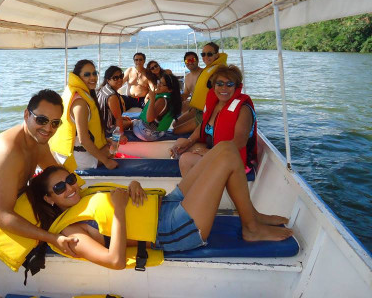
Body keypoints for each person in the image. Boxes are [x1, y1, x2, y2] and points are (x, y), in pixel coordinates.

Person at [28, 142, 292, 270]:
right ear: (50, 199)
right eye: (59, 188)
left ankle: (252, 215)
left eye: (70, 179)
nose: (70, 187)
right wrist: (119, 211)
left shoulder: (83, 197)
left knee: (225, 148)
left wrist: (133, 184)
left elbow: (118, 198)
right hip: (172, 230)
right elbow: (115, 261)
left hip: (167, 204)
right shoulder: (70, 233)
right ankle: (250, 227)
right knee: (226, 159)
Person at [0, 89, 78, 255]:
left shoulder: (38, 141)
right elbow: (1, 218)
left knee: (81, 219)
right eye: (42, 120)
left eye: (55, 123)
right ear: (27, 115)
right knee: (78, 233)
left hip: (18, 206)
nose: (48, 128)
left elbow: (58, 173)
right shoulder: (7, 152)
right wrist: (53, 238)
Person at [171, 65, 257, 177]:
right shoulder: (215, 104)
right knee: (179, 144)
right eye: (219, 83)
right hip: (215, 150)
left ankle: (193, 192)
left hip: (235, 160)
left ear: (236, 87)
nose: (224, 88)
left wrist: (210, 152)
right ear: (214, 85)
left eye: (229, 84)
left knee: (186, 159)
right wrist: (189, 141)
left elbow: (239, 143)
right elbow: (203, 126)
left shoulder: (243, 110)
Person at [49, 60, 117, 171]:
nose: (93, 77)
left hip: (64, 152)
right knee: (112, 148)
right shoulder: (80, 104)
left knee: (109, 145)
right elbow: (84, 140)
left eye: (94, 73)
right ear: (78, 77)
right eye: (87, 75)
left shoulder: (74, 93)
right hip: (74, 158)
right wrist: (106, 162)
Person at [173, 42, 227, 135]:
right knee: (174, 124)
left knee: (176, 130)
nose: (190, 62)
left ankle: (199, 130)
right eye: (187, 61)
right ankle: (195, 129)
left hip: (206, 110)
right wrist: (175, 98)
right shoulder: (189, 77)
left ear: (197, 61)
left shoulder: (212, 72)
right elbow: (186, 94)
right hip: (196, 108)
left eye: (192, 59)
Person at [132, 73, 182, 141]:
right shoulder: (171, 99)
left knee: (130, 122)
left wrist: (152, 100)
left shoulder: (162, 101)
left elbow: (149, 119)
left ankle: (116, 136)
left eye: (162, 84)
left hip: (147, 134)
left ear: (170, 90)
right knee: (132, 120)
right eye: (159, 82)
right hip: (158, 133)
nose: (158, 85)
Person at [96, 66, 132, 141]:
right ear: (108, 80)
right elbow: (118, 118)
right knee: (131, 123)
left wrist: (121, 118)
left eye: (121, 76)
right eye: (115, 78)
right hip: (107, 129)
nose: (120, 80)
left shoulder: (103, 89)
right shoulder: (112, 96)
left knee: (127, 120)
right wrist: (121, 136)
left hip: (100, 124)